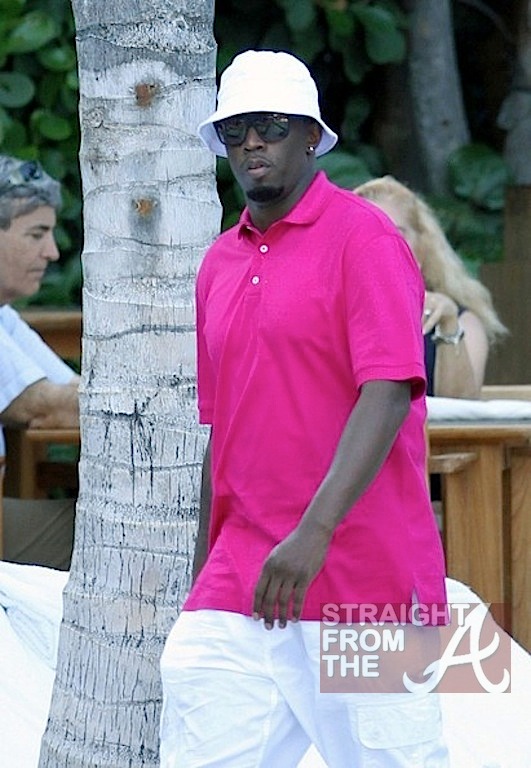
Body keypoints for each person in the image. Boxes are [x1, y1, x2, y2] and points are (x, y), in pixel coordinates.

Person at [160, 51, 449, 767]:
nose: (252, 142)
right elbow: (222, 428)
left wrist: (314, 533)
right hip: (239, 584)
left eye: (270, 124)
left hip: (368, 585)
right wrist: (205, 569)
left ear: (311, 135)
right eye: (235, 130)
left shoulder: (367, 238)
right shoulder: (217, 264)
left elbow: (388, 391)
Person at [355, 176, 508, 399]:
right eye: (367, 232)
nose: (382, 244)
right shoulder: (330, 313)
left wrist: (448, 325)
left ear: (422, 246)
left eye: (396, 233)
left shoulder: (459, 319)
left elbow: (462, 407)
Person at [0, 155, 79, 569]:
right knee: (129, 536)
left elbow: (69, 391)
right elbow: (50, 407)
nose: (51, 252)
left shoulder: (4, 316)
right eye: (36, 234)